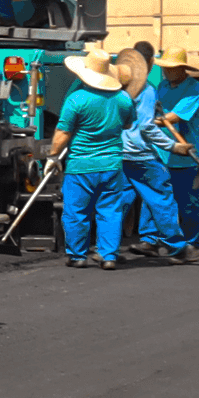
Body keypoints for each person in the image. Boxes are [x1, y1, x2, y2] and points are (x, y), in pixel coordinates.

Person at [50, 46, 135, 268]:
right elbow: (128, 123)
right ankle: (108, 256)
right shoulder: (124, 98)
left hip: (81, 164)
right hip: (112, 164)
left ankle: (77, 256)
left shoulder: (77, 99)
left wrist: (52, 156)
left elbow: (62, 133)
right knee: (110, 211)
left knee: (76, 211)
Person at [115, 42, 192, 264]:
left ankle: (106, 248)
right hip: (141, 155)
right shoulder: (147, 90)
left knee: (117, 200)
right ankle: (178, 248)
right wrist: (172, 146)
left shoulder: (117, 86)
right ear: (150, 63)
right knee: (162, 198)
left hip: (119, 153)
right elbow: (147, 127)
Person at [157, 59, 199, 251]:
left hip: (185, 155)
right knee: (161, 201)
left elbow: (176, 116)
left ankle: (192, 243)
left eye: (171, 68)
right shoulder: (162, 86)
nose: (167, 72)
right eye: (165, 68)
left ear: (182, 68)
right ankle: (159, 240)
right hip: (162, 154)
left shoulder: (195, 88)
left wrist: (154, 121)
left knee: (188, 203)